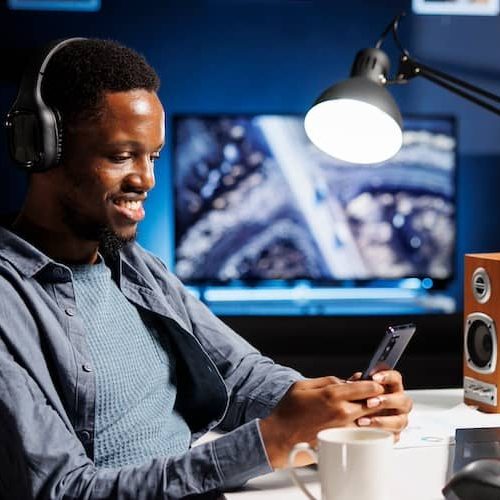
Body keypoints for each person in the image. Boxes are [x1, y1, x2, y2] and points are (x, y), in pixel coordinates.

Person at [0, 38, 412, 499]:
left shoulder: (135, 267)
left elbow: (238, 374)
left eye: (152, 156)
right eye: (121, 156)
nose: (146, 179)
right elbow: (64, 490)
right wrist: (273, 440)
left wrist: (334, 406)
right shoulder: (8, 304)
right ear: (41, 147)